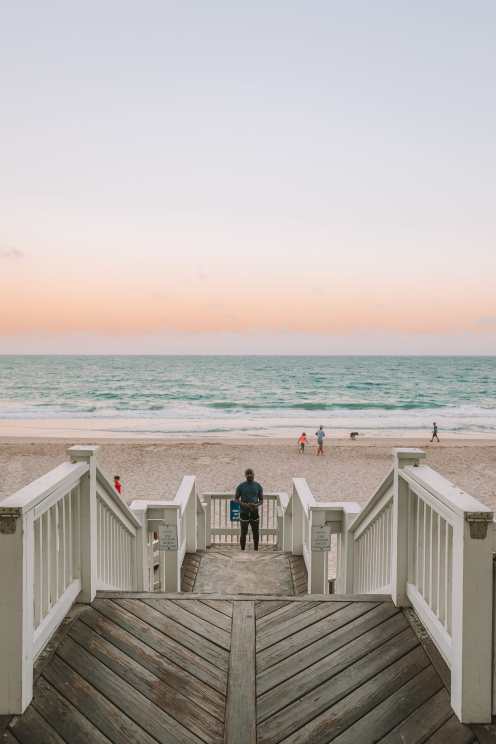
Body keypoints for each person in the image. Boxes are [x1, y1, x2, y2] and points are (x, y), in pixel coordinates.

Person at [235, 468, 263, 551]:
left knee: (256, 532)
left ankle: (256, 550)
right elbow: (236, 499)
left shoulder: (258, 486)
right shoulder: (241, 486)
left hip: (255, 512)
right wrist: (245, 505)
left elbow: (261, 500)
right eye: (247, 473)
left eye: (251, 473)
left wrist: (256, 505)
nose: (249, 475)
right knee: (243, 532)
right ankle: (242, 550)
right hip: (244, 512)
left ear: (254, 474)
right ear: (245, 475)